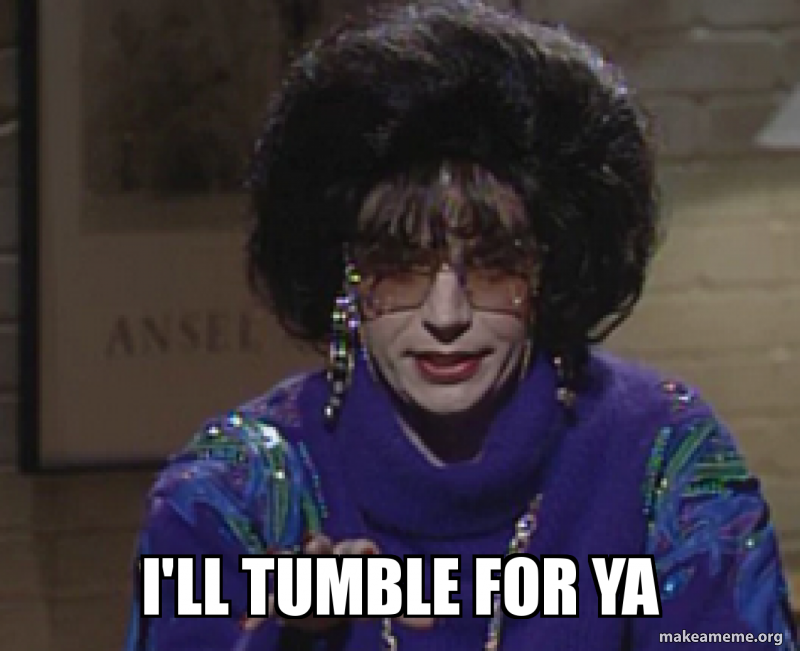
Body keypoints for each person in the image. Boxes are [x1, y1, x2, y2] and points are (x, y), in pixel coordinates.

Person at [125, 1, 798, 649]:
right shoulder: (236, 489)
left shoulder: (666, 455)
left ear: (550, 272)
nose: (445, 316)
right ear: (344, 278)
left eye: (493, 266)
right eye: (399, 268)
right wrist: (280, 633)